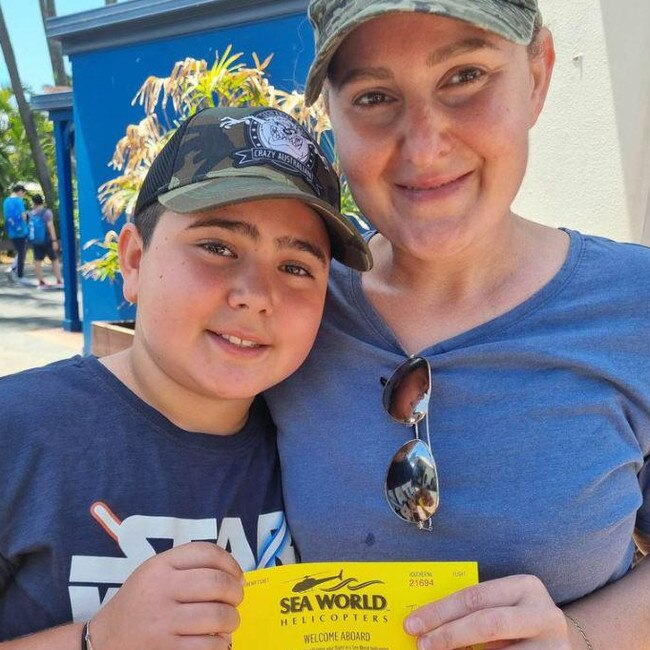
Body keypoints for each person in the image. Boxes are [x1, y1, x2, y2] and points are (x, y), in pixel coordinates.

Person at [266, 1, 650, 648]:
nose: (424, 144)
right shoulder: (289, 309)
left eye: (465, 76)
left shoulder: (635, 305)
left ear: (539, 73)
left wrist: (582, 635)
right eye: (375, 95)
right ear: (332, 113)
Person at [0, 105, 371, 648]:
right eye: (217, 247)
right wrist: (97, 640)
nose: (256, 295)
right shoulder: (20, 430)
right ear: (132, 261)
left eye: (296, 267)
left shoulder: (317, 445)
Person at [28, 193, 64, 289]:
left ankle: (41, 282)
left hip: (36, 241)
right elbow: (50, 226)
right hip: (47, 240)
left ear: (33, 202)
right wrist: (54, 240)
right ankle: (59, 280)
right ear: (41, 201)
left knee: (37, 261)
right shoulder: (46, 212)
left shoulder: (31, 213)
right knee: (54, 259)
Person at [2, 184, 29, 284]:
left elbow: (6, 216)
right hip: (21, 231)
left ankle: (12, 268)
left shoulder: (6, 201)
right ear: (20, 191)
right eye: (23, 192)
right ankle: (20, 276)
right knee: (22, 253)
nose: (23, 194)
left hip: (11, 231)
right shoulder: (18, 201)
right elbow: (23, 216)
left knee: (21, 251)